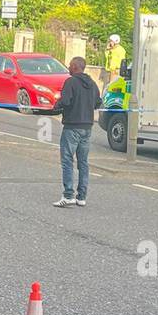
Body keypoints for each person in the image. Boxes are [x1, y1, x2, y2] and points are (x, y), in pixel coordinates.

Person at [53, 56, 102, 208]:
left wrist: (56, 105)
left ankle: (68, 195)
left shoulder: (71, 82)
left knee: (67, 160)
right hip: (87, 127)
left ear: (75, 66)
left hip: (72, 126)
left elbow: (66, 101)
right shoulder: (93, 84)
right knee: (83, 162)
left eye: (69, 65)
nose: (68, 67)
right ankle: (81, 196)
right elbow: (98, 102)